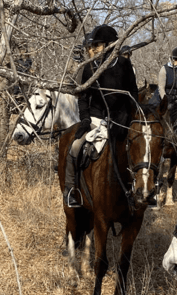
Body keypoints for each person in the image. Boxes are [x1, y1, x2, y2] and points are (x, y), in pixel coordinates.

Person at [63, 24, 138, 207]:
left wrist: (126, 116)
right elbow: (82, 97)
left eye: (97, 45)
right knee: (75, 147)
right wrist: (86, 118)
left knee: (143, 146)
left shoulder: (124, 64)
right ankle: (71, 190)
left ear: (110, 45)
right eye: (92, 45)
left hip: (121, 120)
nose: (92, 49)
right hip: (95, 119)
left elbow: (133, 94)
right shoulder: (89, 67)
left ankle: (145, 190)